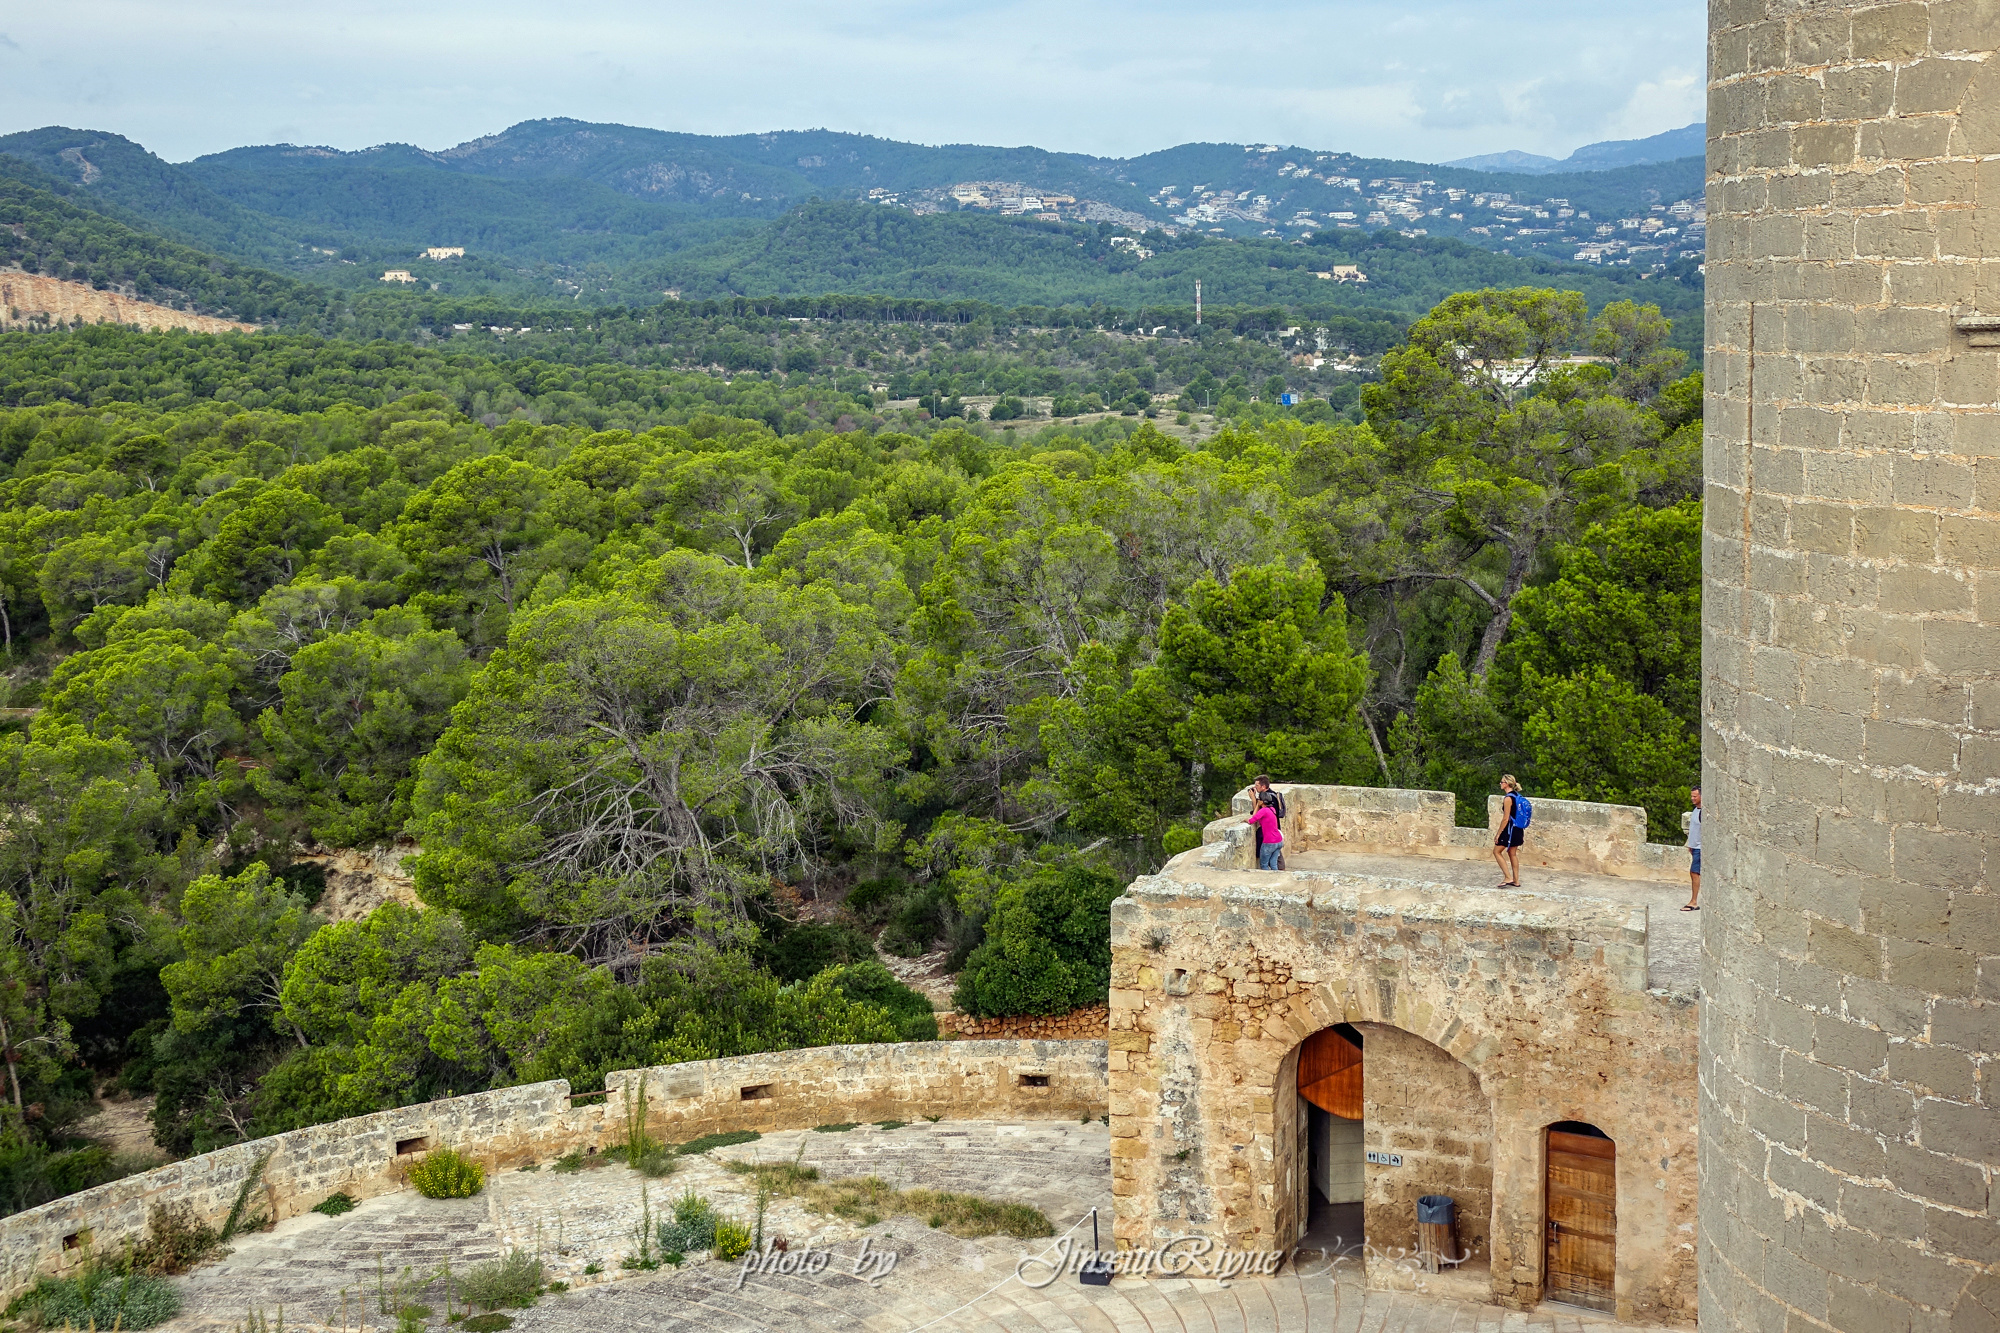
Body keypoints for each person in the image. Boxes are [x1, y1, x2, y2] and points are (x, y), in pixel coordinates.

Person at [1493, 774, 1528, 887]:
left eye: (1502, 782)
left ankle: (1508, 877)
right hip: (1518, 829)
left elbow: (1505, 818)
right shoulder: (1517, 795)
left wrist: (1498, 834)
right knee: (1512, 853)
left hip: (1510, 830)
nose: (1500, 783)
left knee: (1496, 851)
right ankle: (1516, 881)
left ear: (1507, 784)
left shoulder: (1508, 798)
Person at [1247, 791, 1285, 870]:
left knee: (1264, 864)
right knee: (1273, 863)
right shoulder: (1272, 809)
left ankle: (1268, 881)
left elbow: (1251, 820)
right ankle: (1276, 879)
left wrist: (1257, 805)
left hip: (1269, 842)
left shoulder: (1263, 811)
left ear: (1261, 801)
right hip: (1279, 841)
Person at [1683, 786, 1702, 911]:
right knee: (1694, 873)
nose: (1692, 798)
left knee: (1695, 873)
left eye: (1695, 796)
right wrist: (1690, 844)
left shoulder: (1703, 812)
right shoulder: (1696, 810)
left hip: (1700, 848)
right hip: (1694, 847)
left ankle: (1694, 901)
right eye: (1692, 796)